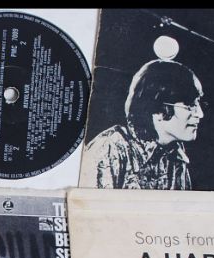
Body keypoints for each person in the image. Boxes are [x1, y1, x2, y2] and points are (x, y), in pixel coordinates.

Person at [81, 59, 205, 190]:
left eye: (197, 104)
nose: (200, 114)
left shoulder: (175, 155)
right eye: (189, 105)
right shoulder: (108, 149)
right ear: (158, 109)